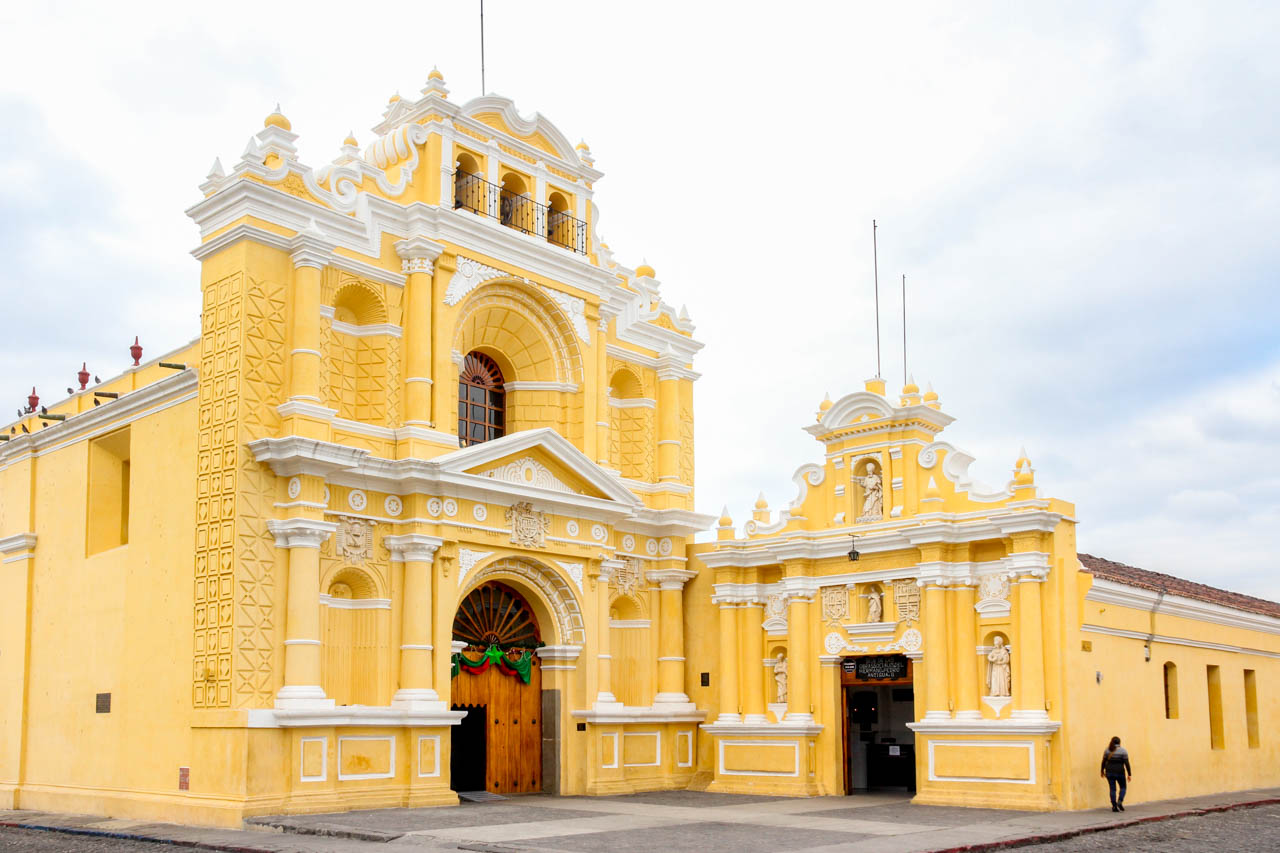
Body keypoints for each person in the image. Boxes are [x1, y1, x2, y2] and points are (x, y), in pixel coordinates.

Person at [1100, 736, 1132, 811]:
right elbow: (1127, 763)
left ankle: (1114, 806)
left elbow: (1103, 762)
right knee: (1123, 787)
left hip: (1109, 772)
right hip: (1120, 772)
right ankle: (1120, 801)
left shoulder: (1107, 750)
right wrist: (1129, 774)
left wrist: (1102, 771)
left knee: (1112, 789)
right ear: (1119, 742)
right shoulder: (1123, 751)